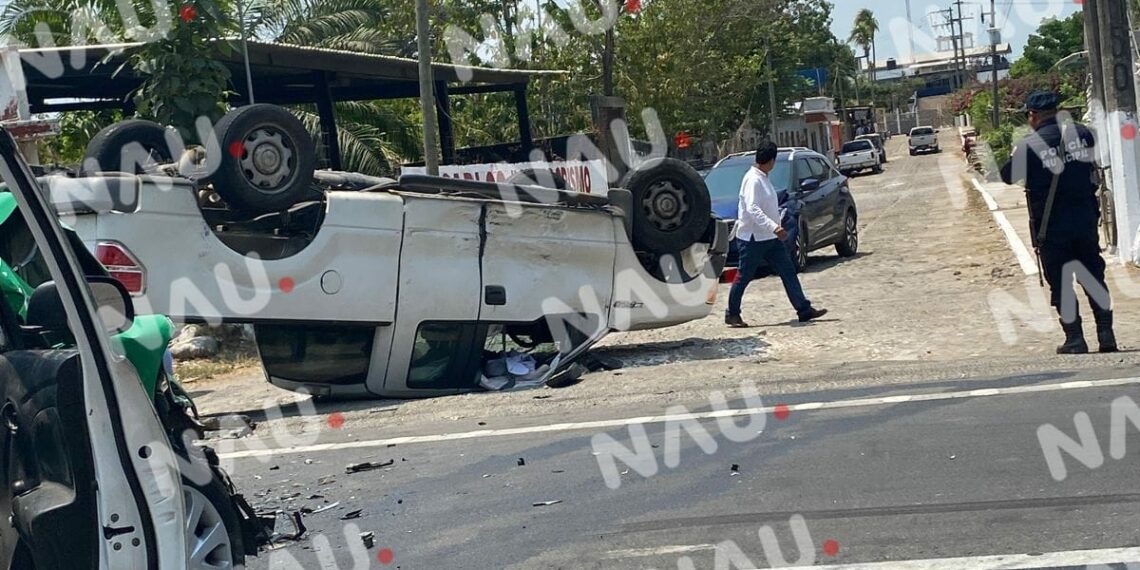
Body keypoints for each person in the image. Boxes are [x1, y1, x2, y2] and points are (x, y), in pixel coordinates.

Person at [999, 91, 1117, 354]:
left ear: (1033, 115)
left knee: (1062, 283)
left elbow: (1007, 176)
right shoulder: (1083, 134)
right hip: (1085, 221)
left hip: (1051, 228)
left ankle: (1075, 339)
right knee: (1093, 277)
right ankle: (1106, 334)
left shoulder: (1029, 145)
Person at [726, 141, 828, 328]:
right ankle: (732, 313)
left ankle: (803, 309)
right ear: (771, 160)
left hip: (770, 239)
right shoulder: (753, 180)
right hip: (753, 238)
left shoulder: (763, 178)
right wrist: (774, 226)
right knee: (744, 276)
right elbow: (753, 209)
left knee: (788, 270)